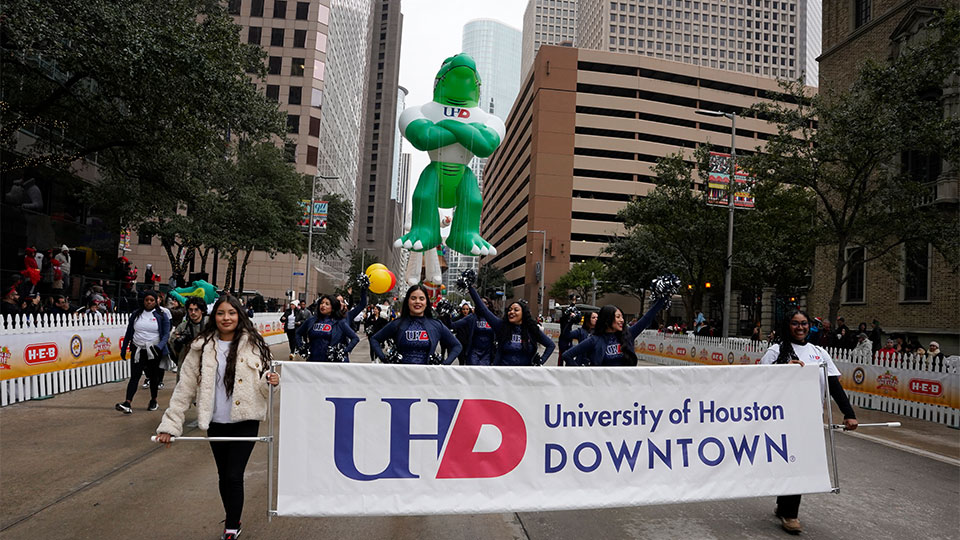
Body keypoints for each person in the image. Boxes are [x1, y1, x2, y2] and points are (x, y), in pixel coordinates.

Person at [155, 295, 279, 540]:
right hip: (215, 421)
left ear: (239, 315)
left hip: (246, 420)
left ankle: (232, 526)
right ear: (215, 316)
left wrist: (271, 381)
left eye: (232, 313)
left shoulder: (254, 344)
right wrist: (170, 425)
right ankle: (233, 516)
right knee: (224, 475)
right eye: (221, 313)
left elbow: (265, 387)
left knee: (234, 474)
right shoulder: (201, 347)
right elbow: (185, 388)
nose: (226, 318)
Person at [760, 309, 857, 534]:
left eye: (803, 323)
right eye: (795, 323)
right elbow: (760, 381)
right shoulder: (775, 351)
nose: (800, 327)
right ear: (787, 326)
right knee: (791, 463)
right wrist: (783, 370)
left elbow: (834, 386)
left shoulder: (819, 353)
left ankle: (786, 508)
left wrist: (849, 413)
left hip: (809, 418)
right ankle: (789, 513)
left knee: (797, 463)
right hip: (782, 418)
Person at [464, 283, 555, 366]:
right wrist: (470, 288)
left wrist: (540, 362)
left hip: (525, 376)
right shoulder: (501, 326)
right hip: (502, 375)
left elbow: (551, 345)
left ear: (523, 313)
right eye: (510, 310)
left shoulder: (532, 329)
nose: (511, 312)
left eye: (516, 310)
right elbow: (484, 310)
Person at [370, 284, 462, 365]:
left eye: (421, 299)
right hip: (401, 378)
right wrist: (385, 360)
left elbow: (457, 346)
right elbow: (374, 339)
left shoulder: (436, 325)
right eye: (413, 298)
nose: (417, 302)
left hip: (428, 378)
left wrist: (444, 365)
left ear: (426, 303)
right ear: (408, 301)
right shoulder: (397, 323)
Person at [561, 299, 667, 367]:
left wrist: (663, 298)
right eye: (618, 317)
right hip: (602, 390)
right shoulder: (594, 340)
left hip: (625, 388)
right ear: (607, 320)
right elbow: (567, 355)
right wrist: (583, 375)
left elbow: (647, 318)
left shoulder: (628, 334)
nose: (622, 320)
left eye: (622, 317)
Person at [115, 290, 171, 414]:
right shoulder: (136, 314)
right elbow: (129, 332)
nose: (149, 302)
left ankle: (153, 400)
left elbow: (166, 334)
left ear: (156, 301)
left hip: (154, 350)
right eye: (147, 300)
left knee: (153, 377)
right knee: (135, 376)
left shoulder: (162, 315)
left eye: (152, 300)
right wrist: (124, 349)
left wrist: (160, 346)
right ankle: (127, 402)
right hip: (138, 349)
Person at [295, 295, 360, 362]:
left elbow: (355, 338)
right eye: (321, 303)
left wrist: (343, 351)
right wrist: (301, 347)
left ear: (333, 307)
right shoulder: (312, 320)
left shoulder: (340, 322)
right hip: (313, 360)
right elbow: (298, 333)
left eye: (327, 304)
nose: (323, 305)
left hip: (332, 363)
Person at [452, 298, 498, 366]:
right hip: (474, 352)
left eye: (485, 303)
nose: (482, 304)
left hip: (488, 353)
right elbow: (454, 325)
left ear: (489, 305)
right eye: (480, 302)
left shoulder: (493, 318)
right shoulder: (472, 317)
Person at [170, 297, 207, 380]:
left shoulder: (209, 325)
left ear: (202, 311)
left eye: (196, 309)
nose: (193, 312)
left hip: (204, 363)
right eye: (190, 310)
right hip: (186, 363)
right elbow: (172, 344)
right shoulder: (182, 327)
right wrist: (178, 343)